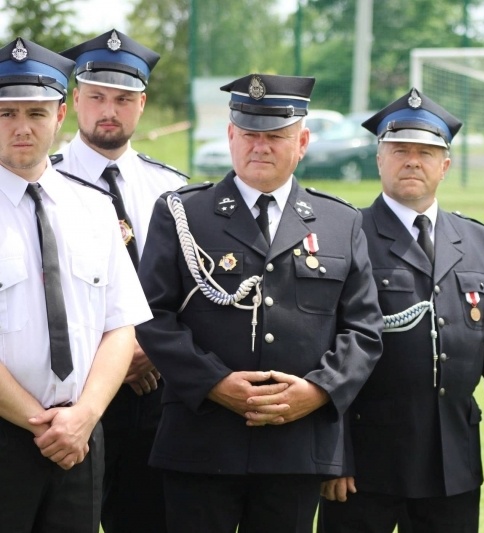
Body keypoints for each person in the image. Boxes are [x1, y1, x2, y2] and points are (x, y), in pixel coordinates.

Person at [135, 72, 384, 533]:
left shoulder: (339, 222)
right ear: (231, 136)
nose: (260, 147)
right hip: (201, 439)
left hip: (296, 445)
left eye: (276, 136)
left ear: (303, 141)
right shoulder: (183, 213)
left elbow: (364, 331)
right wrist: (215, 383)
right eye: (249, 134)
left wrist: (319, 392)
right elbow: (152, 317)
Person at [318, 88, 484, 533]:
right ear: (379, 159)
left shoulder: (482, 243)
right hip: (365, 464)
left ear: (445, 165)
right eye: (399, 150)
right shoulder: (346, 234)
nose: (412, 160)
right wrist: (334, 455)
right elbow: (325, 353)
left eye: (426, 151)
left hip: (451, 461)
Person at [0, 37, 152, 532]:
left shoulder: (93, 209)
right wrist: (41, 424)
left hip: (82, 437)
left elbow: (119, 325)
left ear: (60, 114)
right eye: (6, 114)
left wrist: (84, 416)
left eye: (37, 114)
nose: (22, 128)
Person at [51, 28, 187, 533]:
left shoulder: (172, 188)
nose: (110, 110)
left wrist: (147, 348)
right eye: (98, 97)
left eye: (124, 99)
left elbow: (188, 288)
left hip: (158, 389)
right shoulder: (45, 183)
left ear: (142, 103)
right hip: (73, 393)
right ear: (74, 100)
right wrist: (112, 361)